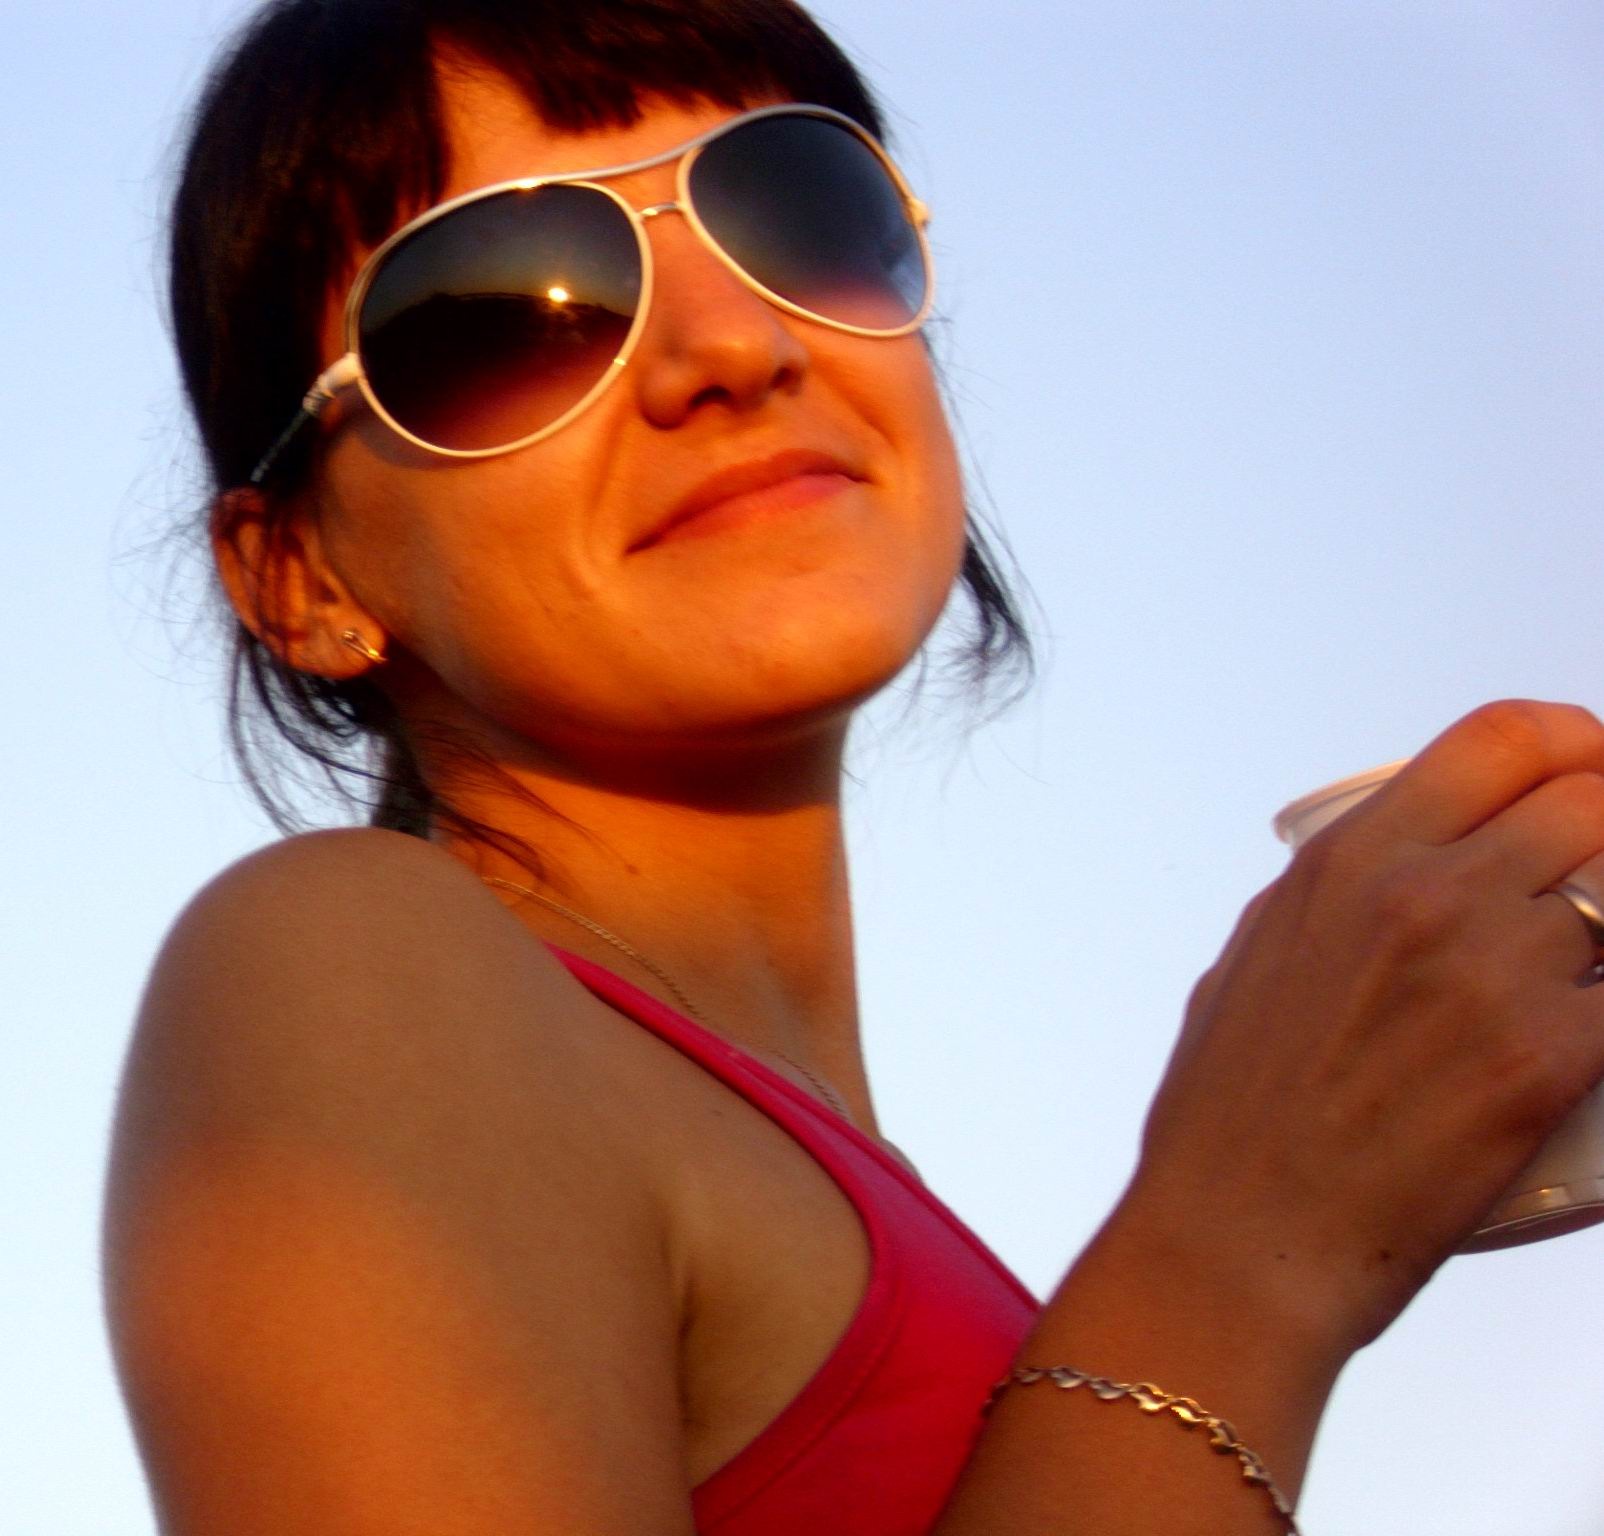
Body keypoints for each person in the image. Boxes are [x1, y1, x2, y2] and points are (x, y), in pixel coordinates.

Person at [101, 1, 1604, 1532]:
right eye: (500, 311)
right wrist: (1250, 1241)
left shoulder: (906, 1237)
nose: (735, 345)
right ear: (298, 576)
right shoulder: (344, 963)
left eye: (801, 213)